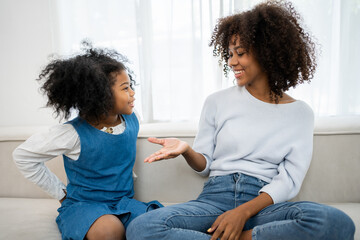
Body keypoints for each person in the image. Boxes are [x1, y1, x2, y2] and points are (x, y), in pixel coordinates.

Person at [125, 1, 355, 240]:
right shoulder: (216, 102)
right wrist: (186, 150)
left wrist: (242, 213)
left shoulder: (301, 113)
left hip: (262, 206)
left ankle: (242, 236)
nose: (232, 62)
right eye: (229, 54)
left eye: (241, 53)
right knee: (141, 227)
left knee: (336, 222)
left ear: (267, 51)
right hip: (213, 201)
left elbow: (289, 181)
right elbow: (205, 165)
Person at [13, 42, 162, 240]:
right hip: (85, 207)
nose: (133, 93)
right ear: (101, 95)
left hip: (123, 202)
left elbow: (115, 152)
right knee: (111, 230)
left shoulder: (132, 119)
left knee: (157, 222)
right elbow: (23, 155)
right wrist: (60, 193)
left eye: (131, 86)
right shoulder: (71, 134)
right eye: (125, 88)